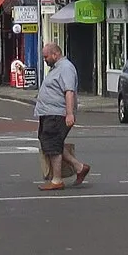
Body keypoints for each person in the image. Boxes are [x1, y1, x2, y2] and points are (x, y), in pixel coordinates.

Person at [34, 43, 89, 191]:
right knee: (51, 142)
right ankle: (79, 167)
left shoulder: (66, 68)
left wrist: (69, 113)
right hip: (49, 112)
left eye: (46, 56)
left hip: (57, 113)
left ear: (55, 54)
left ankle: (57, 180)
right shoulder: (56, 68)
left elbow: (69, 91)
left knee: (52, 142)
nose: (44, 59)